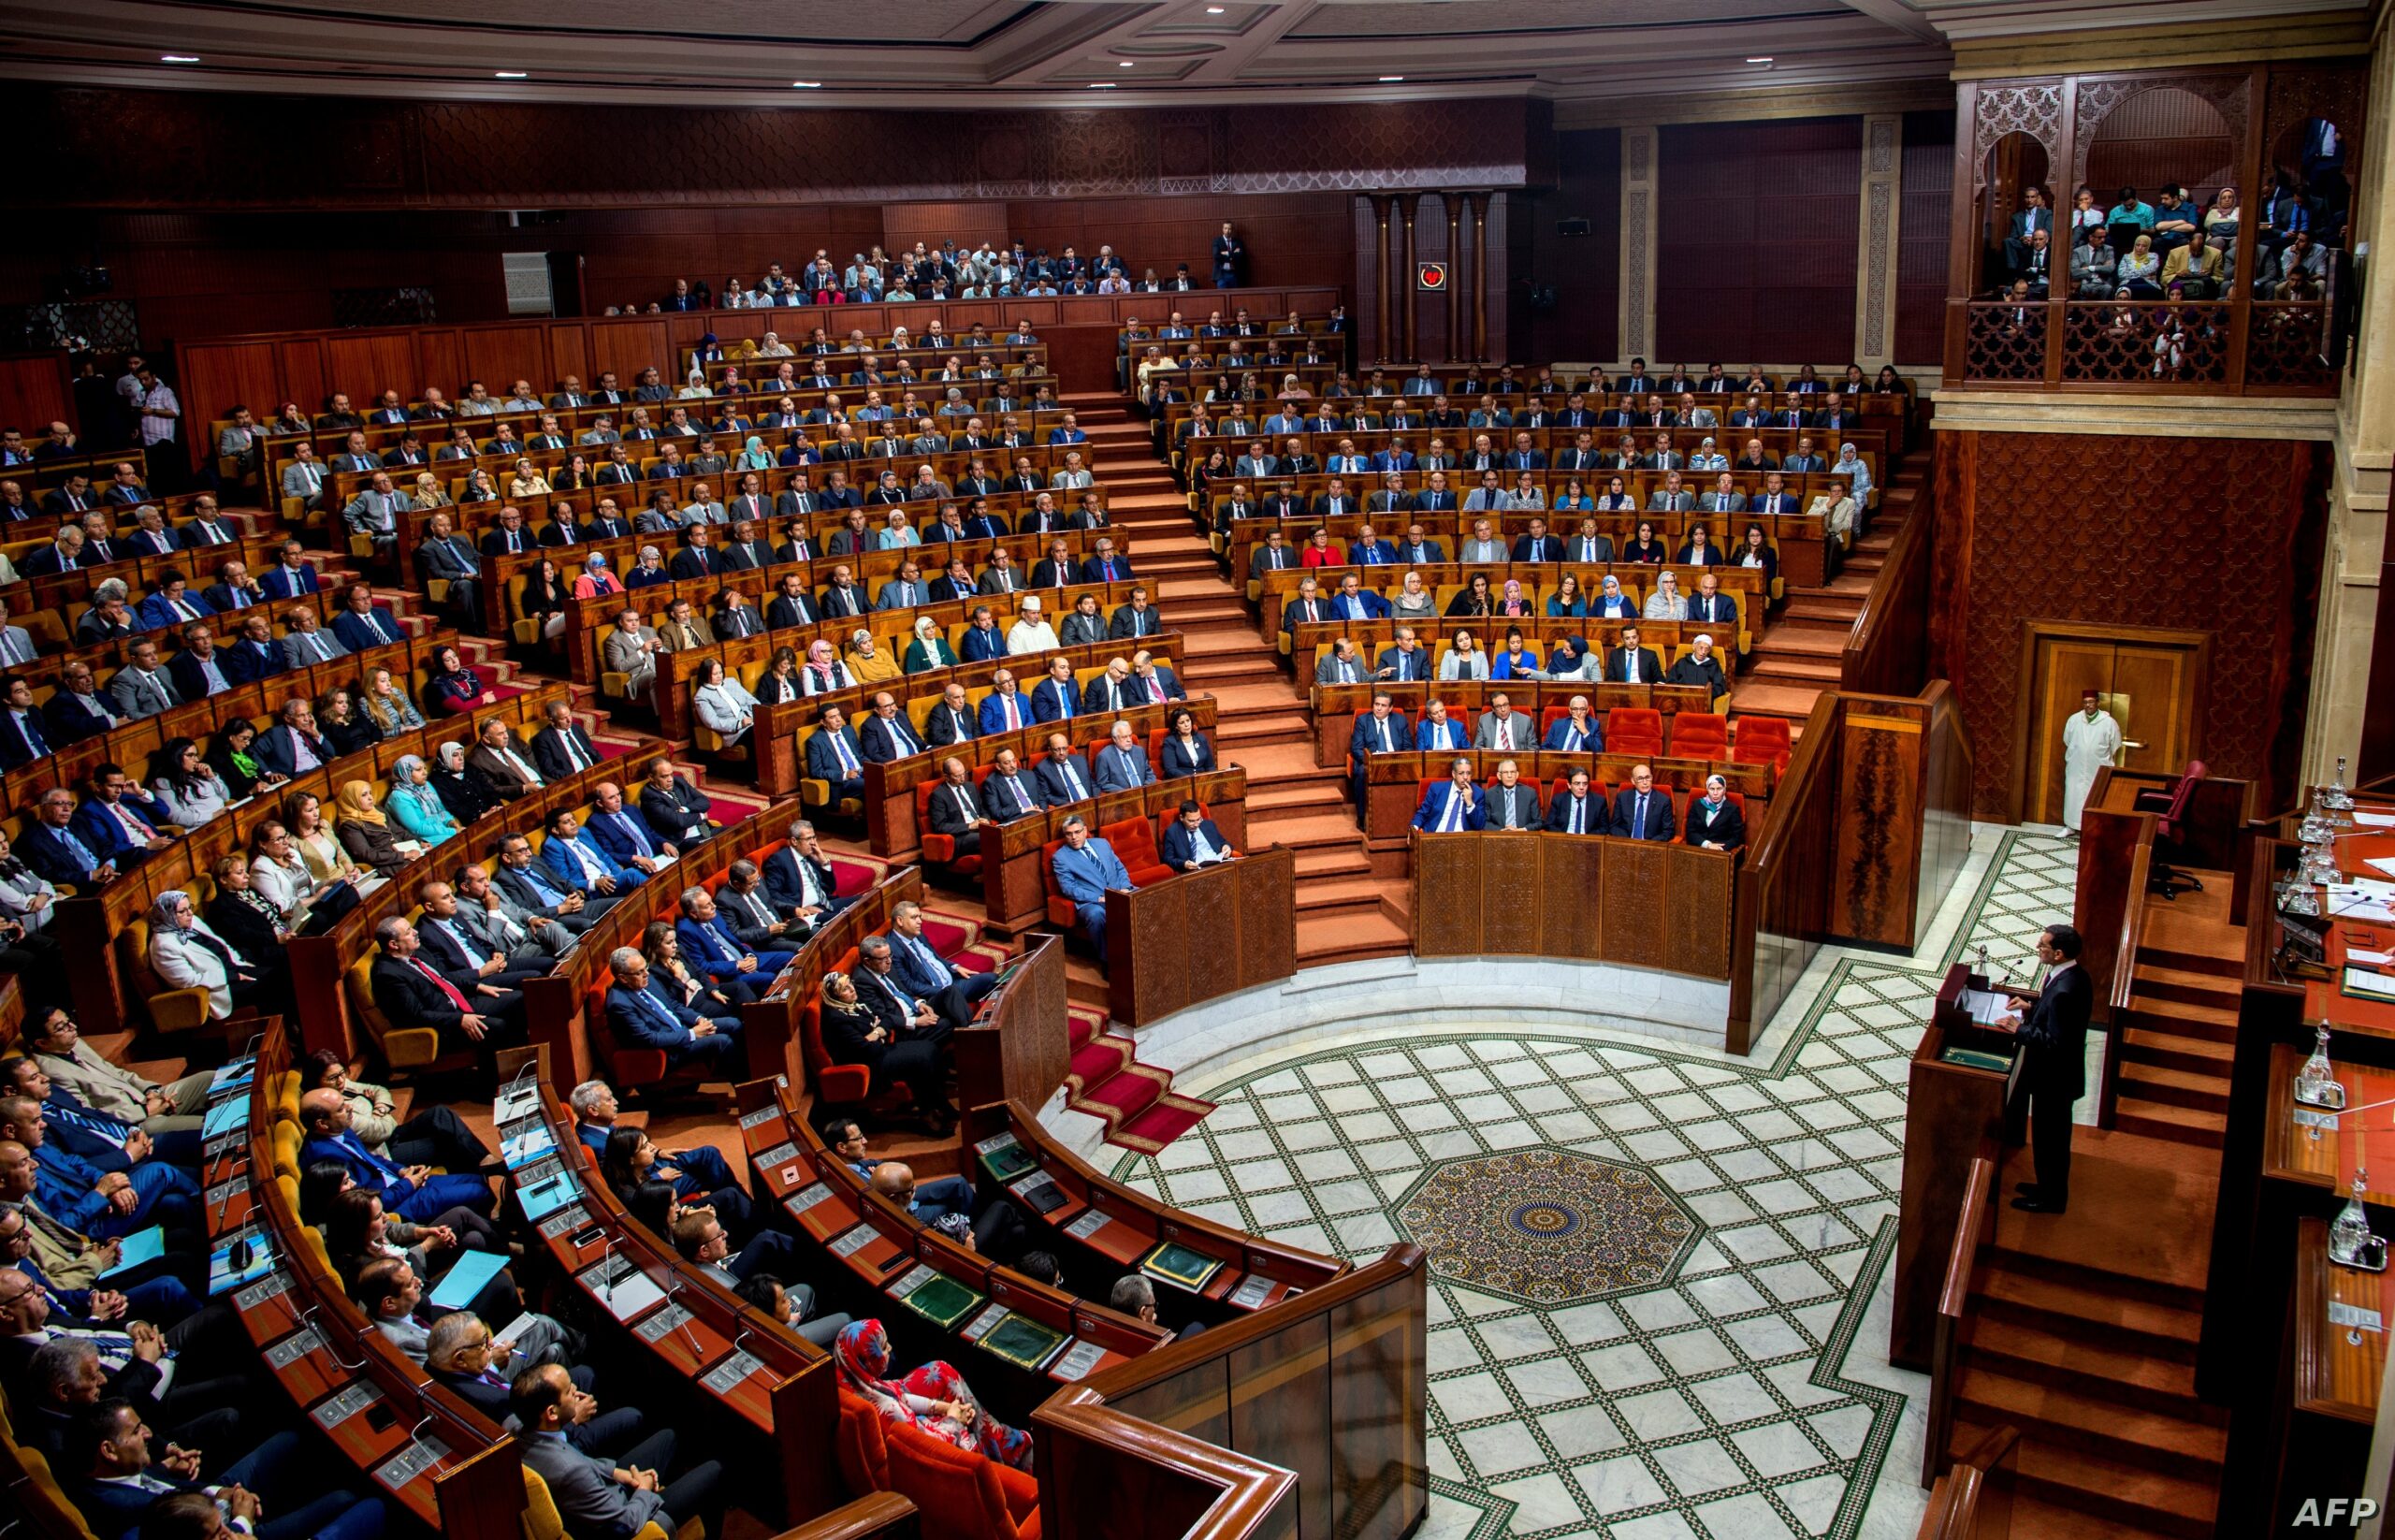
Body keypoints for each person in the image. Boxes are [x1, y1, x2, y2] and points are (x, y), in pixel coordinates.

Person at [512, 1363, 722, 1540]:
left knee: (668, 1437)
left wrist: (618, 1472)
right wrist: (643, 1490)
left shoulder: (520, 1432)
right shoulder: (570, 1470)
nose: (575, 1389)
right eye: (568, 1391)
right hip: (627, 1520)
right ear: (551, 1412)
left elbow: (578, 1458)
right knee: (715, 1469)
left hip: (602, 1492)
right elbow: (626, 1524)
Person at [834, 1319, 1034, 1471]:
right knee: (972, 1432)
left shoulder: (849, 1376)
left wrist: (944, 1407)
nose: (890, 1348)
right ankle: (1007, 1449)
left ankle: (999, 1441)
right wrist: (954, 1419)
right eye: (884, 1347)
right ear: (869, 1360)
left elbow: (899, 1394)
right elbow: (929, 1447)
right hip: (927, 1450)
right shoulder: (891, 1411)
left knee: (942, 1372)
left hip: (912, 1420)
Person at [1993, 925, 2093, 1214]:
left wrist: (2019, 1028)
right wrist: (2031, 1007)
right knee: (2049, 1137)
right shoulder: (2073, 975)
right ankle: (2046, 1186)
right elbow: (2058, 1018)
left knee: (2051, 1141)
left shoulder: (2064, 990)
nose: (2038, 948)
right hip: (2057, 1076)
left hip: (2054, 1080)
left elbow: (2055, 1042)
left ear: (2058, 953)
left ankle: (2051, 1199)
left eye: (2043, 946)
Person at [604, 947, 742, 1077]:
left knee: (734, 1024)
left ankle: (750, 1074)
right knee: (723, 1041)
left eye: (646, 967)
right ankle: (741, 1085)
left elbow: (673, 1005)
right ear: (623, 978)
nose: (646, 974)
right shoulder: (619, 1004)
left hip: (683, 1028)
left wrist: (698, 1019)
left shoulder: (647, 979)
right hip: (670, 1050)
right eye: (639, 972)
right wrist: (692, 1034)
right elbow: (650, 1039)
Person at [1051, 816, 1133, 964]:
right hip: (1091, 902)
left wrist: (1126, 888)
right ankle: (1108, 961)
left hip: (1119, 891)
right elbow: (1069, 888)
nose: (1073, 837)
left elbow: (1120, 868)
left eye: (1077, 832)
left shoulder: (1102, 843)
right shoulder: (1061, 857)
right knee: (1096, 915)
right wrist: (1098, 898)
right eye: (1069, 834)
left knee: (1146, 897)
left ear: (1085, 830)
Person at [2059, 689, 2122, 835]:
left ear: (2097, 703)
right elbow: (2067, 740)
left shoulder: (2109, 723)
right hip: (2076, 766)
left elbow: (2115, 745)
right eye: (2085, 702)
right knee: (2073, 794)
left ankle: (2093, 828)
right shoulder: (2074, 720)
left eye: (2091, 702)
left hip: (2097, 767)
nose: (2088, 705)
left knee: (2094, 795)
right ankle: (2070, 826)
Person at [1160, 799, 1235, 871]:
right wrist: (1184, 864)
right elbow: (1168, 859)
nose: (1196, 825)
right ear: (1181, 818)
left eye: (1198, 819)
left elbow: (1223, 842)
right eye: (1191, 821)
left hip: (1218, 864)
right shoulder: (1173, 832)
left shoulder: (1208, 824)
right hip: (1196, 870)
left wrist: (1227, 846)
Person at [1612, 763, 1675, 842]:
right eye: (1640, 778)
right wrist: (1628, 841)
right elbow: (1614, 826)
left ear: (1652, 778)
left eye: (1647, 777)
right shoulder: (1622, 797)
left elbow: (1668, 832)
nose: (1645, 782)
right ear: (1633, 781)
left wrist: (1649, 844)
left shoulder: (1663, 801)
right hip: (1626, 843)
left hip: (1651, 845)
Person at [1684, 775, 1746, 851]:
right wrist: (1708, 845)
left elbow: (1737, 837)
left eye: (1719, 789)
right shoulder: (1697, 804)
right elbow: (1690, 832)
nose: (1715, 793)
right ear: (1707, 789)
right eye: (1712, 789)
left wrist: (1721, 848)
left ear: (1724, 790)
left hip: (1720, 852)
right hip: (1698, 848)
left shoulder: (1732, 809)